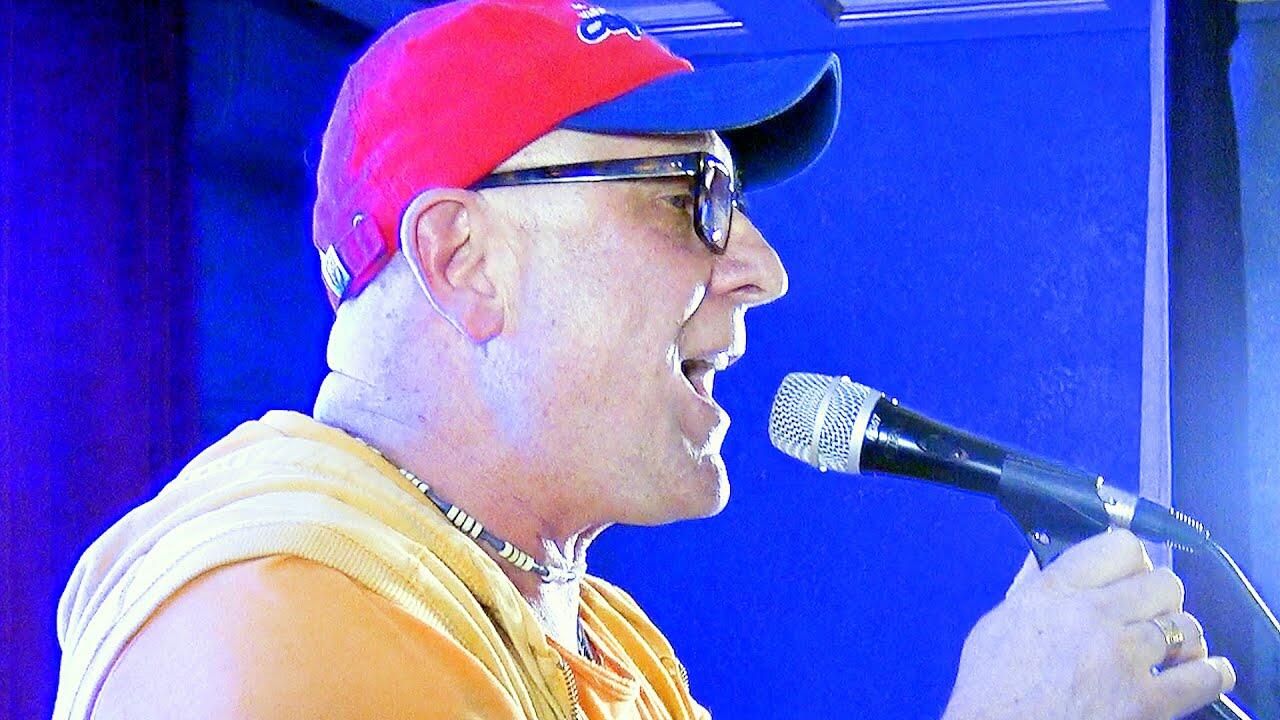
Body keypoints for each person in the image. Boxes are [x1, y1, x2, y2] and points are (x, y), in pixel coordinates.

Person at [53, 1, 1235, 718]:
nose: (761, 266)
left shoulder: (599, 632)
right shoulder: (279, 621)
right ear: (464, 260)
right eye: (691, 195)